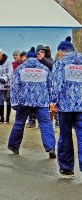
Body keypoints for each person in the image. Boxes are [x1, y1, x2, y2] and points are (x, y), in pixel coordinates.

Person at [8, 54, 56, 158]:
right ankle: (51, 147)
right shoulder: (45, 69)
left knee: (19, 122)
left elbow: (14, 87)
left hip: (24, 101)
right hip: (41, 101)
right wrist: (50, 101)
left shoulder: (20, 68)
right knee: (45, 123)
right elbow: (50, 86)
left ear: (27, 58)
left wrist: (14, 102)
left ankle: (14, 146)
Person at [51, 36, 82, 178]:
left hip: (65, 106)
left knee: (65, 136)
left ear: (61, 51)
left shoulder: (60, 63)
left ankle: (66, 167)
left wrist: (53, 102)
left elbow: (57, 84)